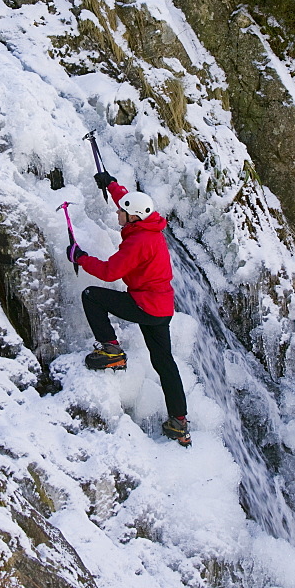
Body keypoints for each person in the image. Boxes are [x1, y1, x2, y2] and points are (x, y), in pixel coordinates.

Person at [67, 172, 190, 447]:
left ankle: (111, 350)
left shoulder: (139, 242)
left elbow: (110, 272)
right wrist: (111, 184)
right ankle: (179, 424)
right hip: (161, 308)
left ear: (133, 217)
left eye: (122, 212)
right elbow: (128, 201)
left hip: (145, 305)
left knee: (91, 296)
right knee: (165, 364)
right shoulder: (148, 227)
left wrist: (81, 257)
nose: (117, 213)